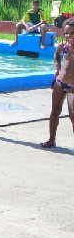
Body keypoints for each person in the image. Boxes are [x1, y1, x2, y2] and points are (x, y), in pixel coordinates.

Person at [41, 18, 74, 148]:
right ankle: (51, 139)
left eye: (72, 33)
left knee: (73, 115)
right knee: (55, 112)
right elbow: (56, 56)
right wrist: (58, 69)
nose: (69, 36)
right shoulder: (63, 47)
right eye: (66, 33)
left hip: (73, 87)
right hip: (60, 83)